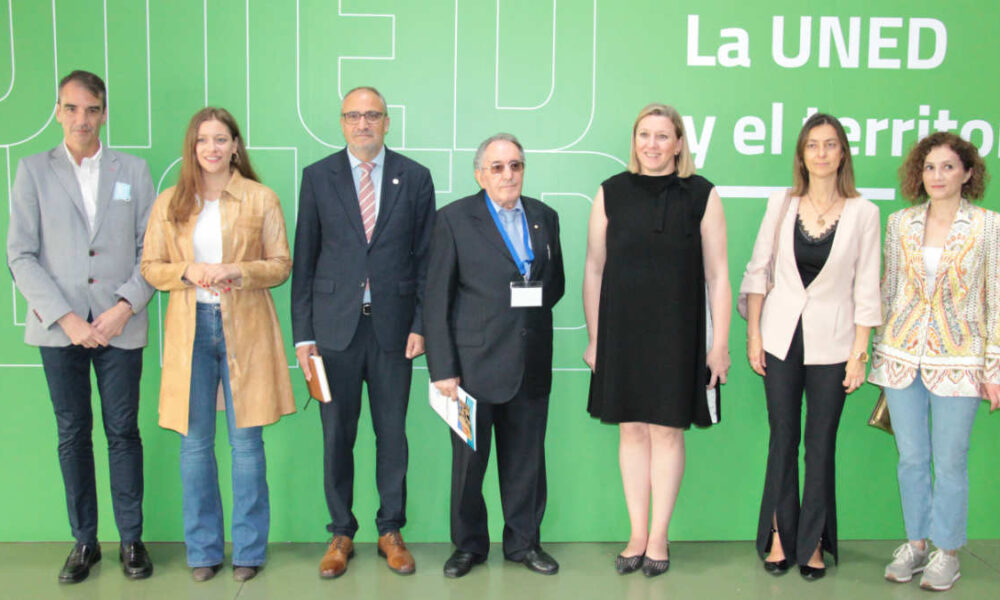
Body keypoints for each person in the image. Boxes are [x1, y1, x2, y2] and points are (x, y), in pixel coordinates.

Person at [7, 70, 155, 584]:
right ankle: (84, 541)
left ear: (105, 113)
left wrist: (121, 308)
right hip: (59, 329)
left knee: (122, 433)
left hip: (120, 327)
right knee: (72, 433)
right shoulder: (31, 170)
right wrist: (68, 319)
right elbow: (20, 255)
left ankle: (131, 539)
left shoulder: (133, 171)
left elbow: (150, 254)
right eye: (71, 109)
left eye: (91, 109)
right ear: (57, 112)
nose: (81, 119)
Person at [140, 107, 295, 582]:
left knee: (247, 443)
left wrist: (237, 271)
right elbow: (150, 266)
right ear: (193, 147)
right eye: (203, 140)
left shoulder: (260, 198)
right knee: (194, 446)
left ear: (235, 145)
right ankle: (203, 551)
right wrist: (187, 270)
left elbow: (281, 264)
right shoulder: (170, 202)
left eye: (221, 139)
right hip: (191, 328)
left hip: (245, 329)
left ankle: (249, 550)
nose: (212, 148)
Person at [291, 86, 435, 578]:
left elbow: (426, 261)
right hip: (333, 333)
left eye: (372, 115)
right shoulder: (317, 177)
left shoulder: (415, 178)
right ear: (342, 122)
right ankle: (341, 531)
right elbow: (305, 260)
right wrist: (302, 336)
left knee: (392, 434)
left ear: (387, 122)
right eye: (354, 115)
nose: (363, 123)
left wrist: (421, 325)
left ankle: (390, 529)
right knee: (337, 436)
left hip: (395, 332)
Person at [583, 103, 731, 577]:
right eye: (644, 135)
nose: (652, 144)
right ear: (635, 141)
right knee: (631, 429)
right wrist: (594, 338)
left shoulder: (703, 194)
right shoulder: (611, 192)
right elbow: (593, 268)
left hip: (678, 330)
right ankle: (637, 533)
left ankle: (660, 537)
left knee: (667, 431)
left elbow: (718, 274)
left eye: (662, 136)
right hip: (622, 332)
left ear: (679, 143)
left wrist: (720, 343)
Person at [739, 113, 881, 580]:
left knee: (820, 444)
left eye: (830, 145)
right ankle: (781, 535)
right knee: (783, 439)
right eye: (812, 145)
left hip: (835, 345)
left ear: (843, 153)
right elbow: (758, 271)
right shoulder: (781, 203)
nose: (821, 153)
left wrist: (860, 354)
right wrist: (754, 334)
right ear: (801, 154)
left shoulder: (864, 213)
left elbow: (866, 290)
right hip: (779, 338)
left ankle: (815, 541)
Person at [424, 133, 565, 578]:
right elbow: (435, 299)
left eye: (516, 165)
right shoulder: (453, 220)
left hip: (529, 363)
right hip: (470, 370)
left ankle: (524, 543)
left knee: (527, 461)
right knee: (468, 467)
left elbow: (553, 285)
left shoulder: (545, 217)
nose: (508, 175)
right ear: (480, 173)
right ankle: (469, 546)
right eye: (498, 167)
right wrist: (444, 369)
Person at [869, 131, 1000, 592]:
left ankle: (947, 551)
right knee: (911, 459)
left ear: (967, 172)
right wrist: (877, 353)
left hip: (962, 362)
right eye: (929, 167)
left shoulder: (988, 226)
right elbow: (888, 292)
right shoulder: (899, 223)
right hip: (902, 358)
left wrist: (995, 369)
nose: (937, 176)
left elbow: (996, 300)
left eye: (947, 167)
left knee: (950, 461)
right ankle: (917, 544)